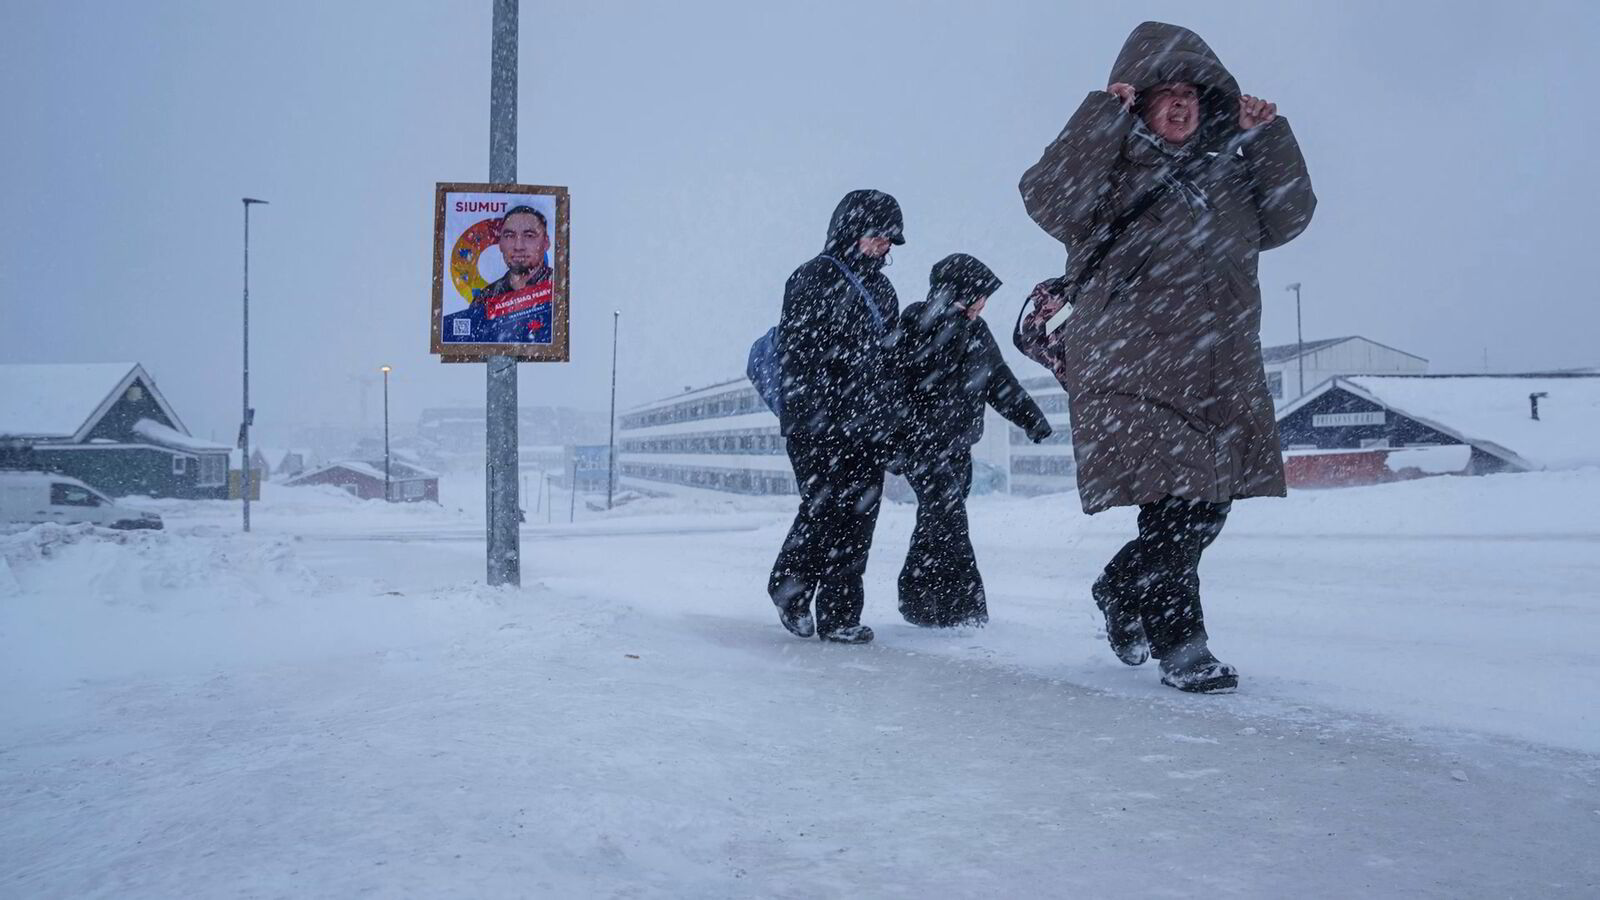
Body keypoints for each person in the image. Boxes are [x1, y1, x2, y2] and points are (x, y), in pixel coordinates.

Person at [1015, 22, 1316, 692]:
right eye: (1164, 95)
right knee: (1178, 505)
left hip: (1218, 367)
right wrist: (1101, 119)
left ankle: (1122, 590)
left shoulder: (1227, 173)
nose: (1180, 104)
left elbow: (1290, 217)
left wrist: (1268, 138)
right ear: (1140, 104)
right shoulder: (1112, 174)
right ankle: (1183, 645)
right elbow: (1048, 198)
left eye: (1190, 93)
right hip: (1130, 367)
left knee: (1208, 506)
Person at [768, 189, 905, 645]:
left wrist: (889, 421)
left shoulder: (884, 290)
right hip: (817, 423)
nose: (883, 246)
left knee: (859, 518)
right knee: (824, 509)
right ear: (849, 230)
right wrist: (820, 416)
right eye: (876, 236)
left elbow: (889, 362)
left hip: (868, 425)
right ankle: (789, 588)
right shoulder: (812, 277)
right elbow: (799, 356)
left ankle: (841, 615)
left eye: (889, 240)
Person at [895, 254, 1052, 627]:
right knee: (949, 517)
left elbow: (999, 381)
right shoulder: (918, 320)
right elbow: (898, 382)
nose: (984, 305)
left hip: (959, 446)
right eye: (980, 296)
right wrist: (897, 440)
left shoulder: (977, 330)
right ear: (960, 292)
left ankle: (916, 599)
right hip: (922, 445)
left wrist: (1032, 420)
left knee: (936, 521)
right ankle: (962, 609)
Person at [442, 205, 554, 344]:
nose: (518, 246)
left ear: (546, 242)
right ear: (500, 244)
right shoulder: (486, 297)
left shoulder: (561, 290)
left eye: (529, 236)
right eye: (509, 236)